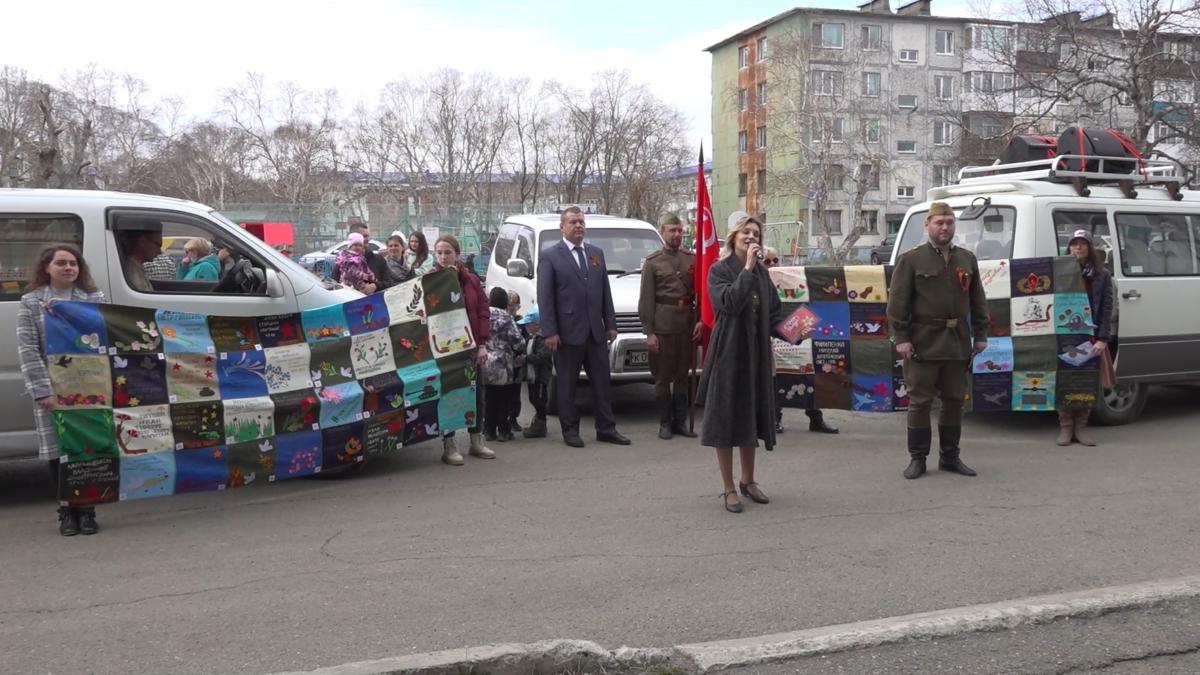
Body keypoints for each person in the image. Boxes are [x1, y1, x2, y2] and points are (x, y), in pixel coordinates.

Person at [886, 201, 988, 480]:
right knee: (919, 402)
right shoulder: (911, 259)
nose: (945, 227)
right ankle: (918, 458)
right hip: (922, 342)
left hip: (957, 341)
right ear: (927, 225)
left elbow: (978, 299)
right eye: (939, 222)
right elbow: (897, 304)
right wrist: (902, 338)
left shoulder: (967, 259)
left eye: (949, 222)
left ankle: (950, 457)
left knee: (955, 401)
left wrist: (980, 334)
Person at [17, 245, 108, 536]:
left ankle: (88, 510)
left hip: (89, 387)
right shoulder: (31, 302)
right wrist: (43, 391)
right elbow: (28, 349)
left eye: (73, 263)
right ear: (47, 268)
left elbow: (104, 339)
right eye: (61, 263)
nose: (68, 267)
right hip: (53, 390)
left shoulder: (94, 299)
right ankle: (67, 512)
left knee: (88, 450)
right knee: (59, 453)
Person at [696, 215, 781, 514]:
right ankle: (729, 487)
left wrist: (795, 330)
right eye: (745, 231)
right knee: (725, 420)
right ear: (733, 237)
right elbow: (729, 303)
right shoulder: (719, 271)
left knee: (750, 415)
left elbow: (774, 312)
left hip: (756, 354)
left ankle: (749, 480)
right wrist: (746, 269)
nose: (751, 236)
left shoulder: (762, 273)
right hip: (728, 354)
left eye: (755, 232)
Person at [537, 206, 631, 448]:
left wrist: (610, 324)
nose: (578, 226)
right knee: (567, 385)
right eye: (572, 222)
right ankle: (570, 430)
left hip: (595, 332)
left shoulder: (595, 253)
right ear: (562, 227)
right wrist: (550, 331)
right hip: (566, 334)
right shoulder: (550, 256)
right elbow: (545, 297)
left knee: (601, 382)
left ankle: (606, 428)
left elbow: (604, 293)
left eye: (581, 222)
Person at [761, 247, 839, 436]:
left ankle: (815, 417)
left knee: (808, 374)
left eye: (775, 260)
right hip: (774, 339)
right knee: (778, 378)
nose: (772, 265)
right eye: (767, 261)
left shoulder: (791, 278)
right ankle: (775, 418)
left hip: (796, 338)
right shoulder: (759, 282)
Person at [639, 212, 703, 440]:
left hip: (686, 324)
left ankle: (680, 422)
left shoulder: (692, 259)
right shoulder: (653, 262)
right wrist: (649, 333)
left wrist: (701, 320)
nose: (677, 234)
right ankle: (665, 423)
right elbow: (646, 299)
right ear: (662, 232)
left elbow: (701, 294)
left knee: (683, 376)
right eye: (672, 230)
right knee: (663, 376)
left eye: (679, 230)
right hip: (663, 326)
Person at [433, 234, 495, 464]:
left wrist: (481, 344)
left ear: (457, 254)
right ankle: (449, 446)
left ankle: (476, 442)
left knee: (477, 392)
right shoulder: (431, 280)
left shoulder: (470, 280)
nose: (443, 256)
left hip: (470, 347)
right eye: (439, 252)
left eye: (448, 252)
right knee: (447, 394)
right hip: (445, 350)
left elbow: (482, 311)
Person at [1058, 229, 1113, 447]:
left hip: (1090, 335)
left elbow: (1106, 308)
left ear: (1090, 248)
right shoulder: (1061, 272)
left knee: (1086, 381)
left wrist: (1102, 338)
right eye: (1074, 244)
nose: (1078, 248)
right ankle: (1065, 427)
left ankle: (1081, 427)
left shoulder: (1102, 275)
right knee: (1065, 379)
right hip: (1064, 334)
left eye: (1082, 244)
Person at [482, 287, 525, 442]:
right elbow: (518, 342)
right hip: (504, 365)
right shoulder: (507, 318)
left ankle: (488, 430)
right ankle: (504, 431)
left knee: (488, 398)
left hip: (485, 362)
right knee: (504, 399)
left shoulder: (483, 315)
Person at [518, 308, 553, 439]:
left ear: (537, 324)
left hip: (539, 377)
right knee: (533, 398)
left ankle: (540, 424)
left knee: (540, 400)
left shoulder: (542, 340)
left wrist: (526, 358)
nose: (526, 326)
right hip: (532, 376)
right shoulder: (530, 339)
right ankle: (538, 421)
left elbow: (542, 356)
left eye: (528, 324)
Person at [117, 218, 164, 292]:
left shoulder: (135, 267)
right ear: (142, 242)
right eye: (158, 245)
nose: (159, 252)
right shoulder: (132, 272)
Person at [506, 291, 526, 432]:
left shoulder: (521, 323)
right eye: (509, 305)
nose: (511, 308)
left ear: (519, 307)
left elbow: (525, 342)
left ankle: (513, 418)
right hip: (503, 363)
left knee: (515, 393)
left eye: (514, 306)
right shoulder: (502, 320)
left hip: (517, 364)